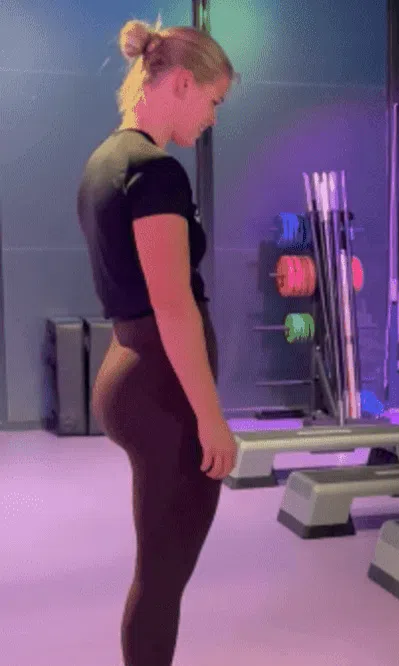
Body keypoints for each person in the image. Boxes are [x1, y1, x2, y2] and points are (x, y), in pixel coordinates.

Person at [76, 19, 236, 666]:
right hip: (160, 388)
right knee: (162, 579)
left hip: (130, 368)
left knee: (160, 573)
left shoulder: (104, 162)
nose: (213, 118)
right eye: (214, 101)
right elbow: (173, 306)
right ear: (181, 84)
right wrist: (211, 418)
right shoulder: (155, 172)